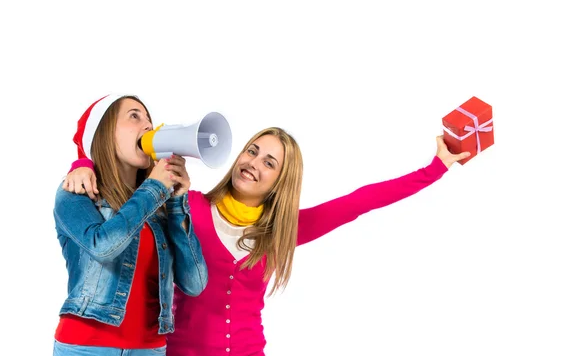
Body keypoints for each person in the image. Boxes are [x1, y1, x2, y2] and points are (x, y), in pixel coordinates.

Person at [64, 124, 470, 356]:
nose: (253, 163)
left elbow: (359, 201)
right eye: (252, 151)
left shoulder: (283, 231)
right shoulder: (186, 206)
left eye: (268, 162)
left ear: (280, 181)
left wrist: (434, 169)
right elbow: (127, 147)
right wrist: (82, 161)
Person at [53, 94, 209, 356]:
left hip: (150, 349)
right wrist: (154, 188)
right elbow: (103, 246)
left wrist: (176, 203)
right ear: (103, 132)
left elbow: (194, 283)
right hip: (87, 347)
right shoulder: (78, 190)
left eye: (148, 119)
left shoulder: (159, 205)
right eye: (134, 116)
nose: (148, 126)